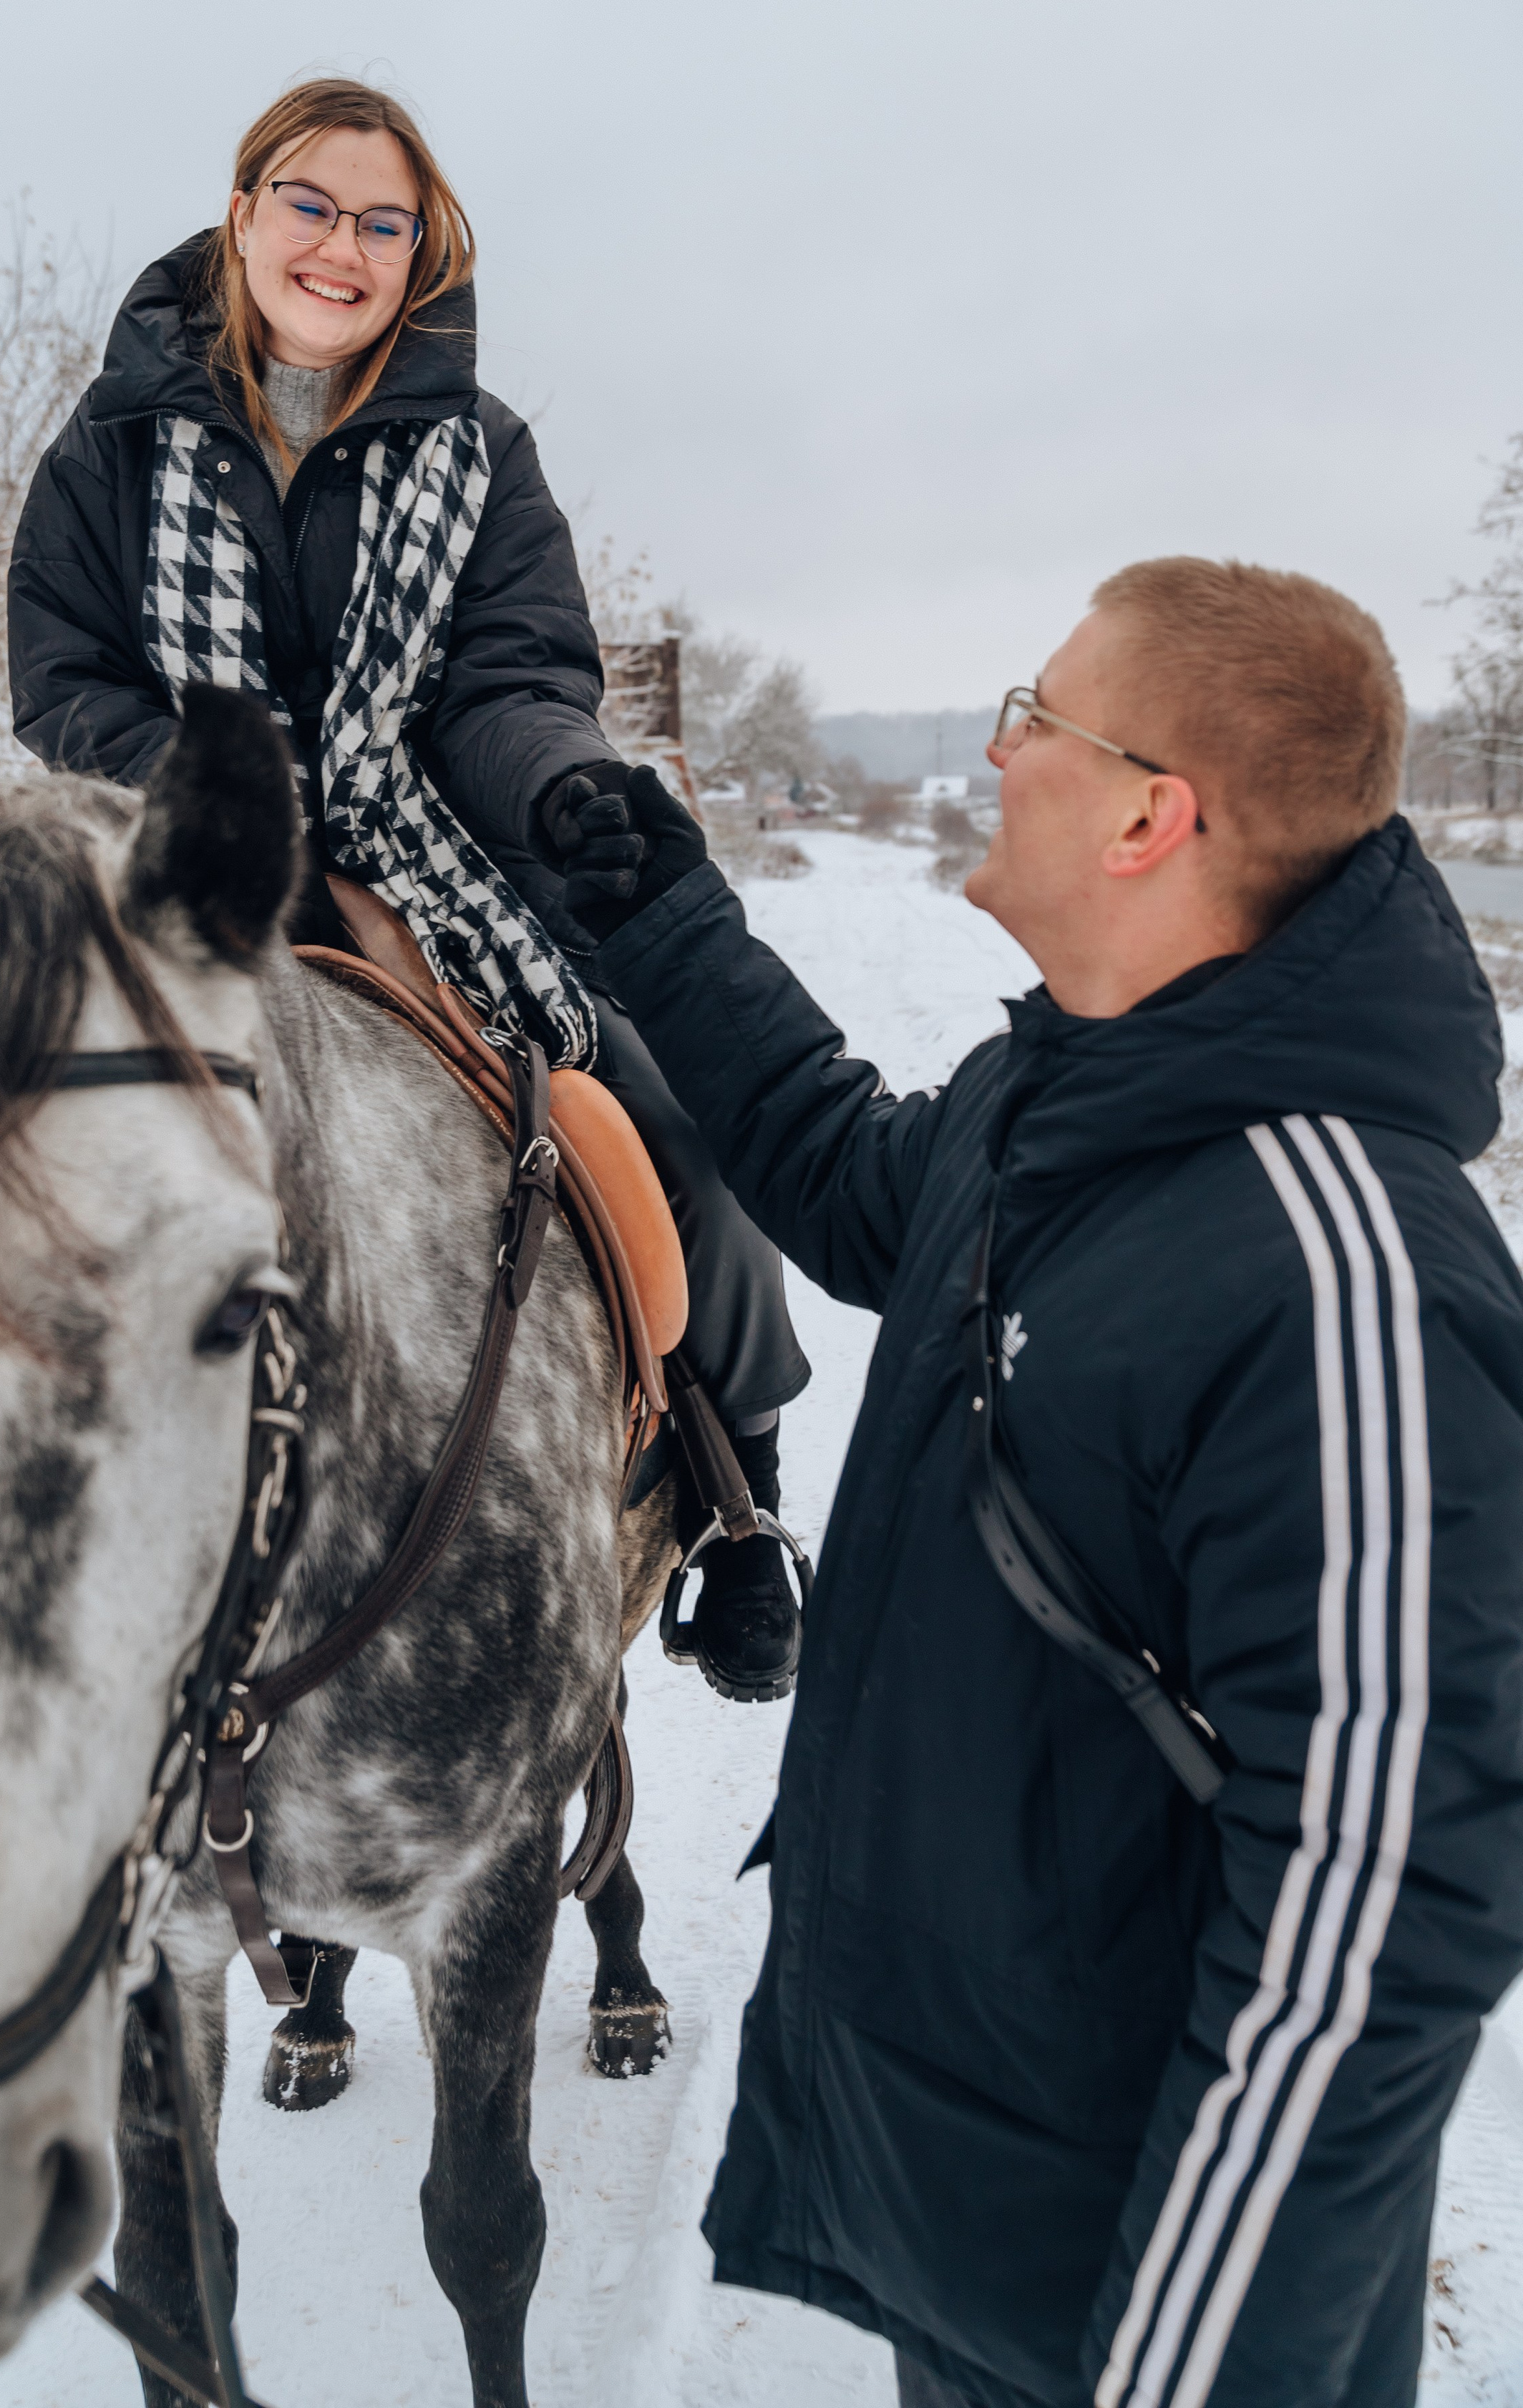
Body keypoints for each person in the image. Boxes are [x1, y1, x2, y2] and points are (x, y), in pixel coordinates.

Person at [548, 556, 1523, 2408]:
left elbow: (1379, 1912)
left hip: (1151, 2296)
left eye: (1035, 718)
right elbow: (849, 1181)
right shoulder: (1073, 1098)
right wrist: (659, 916)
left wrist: (1181, 2371)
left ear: (1156, 816)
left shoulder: (1344, 1275)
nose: (998, 751)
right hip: (989, 2210)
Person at [6, 76, 809, 1696]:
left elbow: (510, 678)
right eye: (308, 204)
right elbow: (60, 678)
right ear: (241, 216)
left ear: (417, 253)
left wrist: (564, 775)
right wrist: (210, 792)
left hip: (429, 863)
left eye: (384, 222)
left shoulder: (479, 448)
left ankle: (737, 1499)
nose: (340, 246)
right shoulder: (110, 443)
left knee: (675, 1135)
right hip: (190, 863)